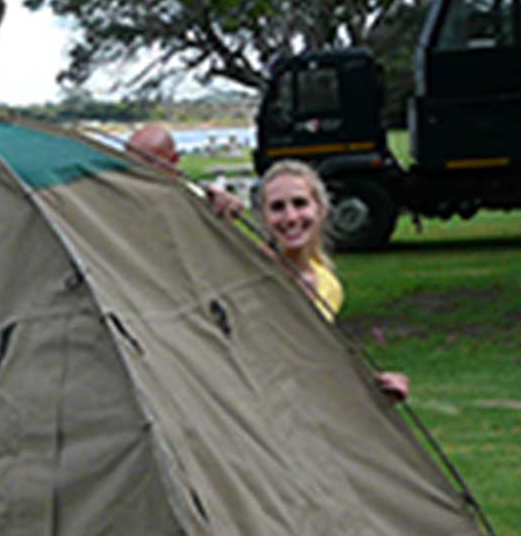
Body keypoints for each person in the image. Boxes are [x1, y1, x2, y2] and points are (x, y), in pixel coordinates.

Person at [257, 160, 410, 401]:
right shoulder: (246, 270)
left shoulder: (328, 285)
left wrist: (376, 388)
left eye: (300, 203)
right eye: (277, 207)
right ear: (263, 217)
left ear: (321, 209)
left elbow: (316, 362)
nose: (291, 217)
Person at [126, 124, 245, 218]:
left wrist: (226, 204)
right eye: (131, 162)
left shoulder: (195, 197)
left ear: (174, 160)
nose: (139, 169)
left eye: (149, 162)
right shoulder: (122, 191)